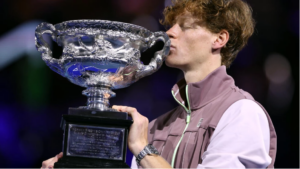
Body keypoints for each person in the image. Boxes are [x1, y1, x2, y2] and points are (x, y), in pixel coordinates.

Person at [41, 0, 277, 168]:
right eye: (170, 26)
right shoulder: (157, 127)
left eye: (185, 26)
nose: (169, 33)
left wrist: (143, 149)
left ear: (219, 38)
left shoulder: (242, 112)